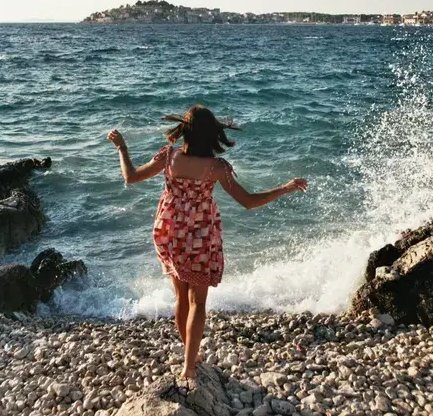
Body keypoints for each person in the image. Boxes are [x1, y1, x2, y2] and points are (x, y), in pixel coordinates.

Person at [107, 105, 308, 378]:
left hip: (169, 234)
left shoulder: (168, 157)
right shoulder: (216, 168)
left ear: (185, 131)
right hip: (199, 237)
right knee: (198, 303)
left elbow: (131, 177)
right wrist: (284, 188)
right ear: (211, 135)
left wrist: (122, 147)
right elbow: (248, 202)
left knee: (181, 298)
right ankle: (189, 367)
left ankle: (191, 355)